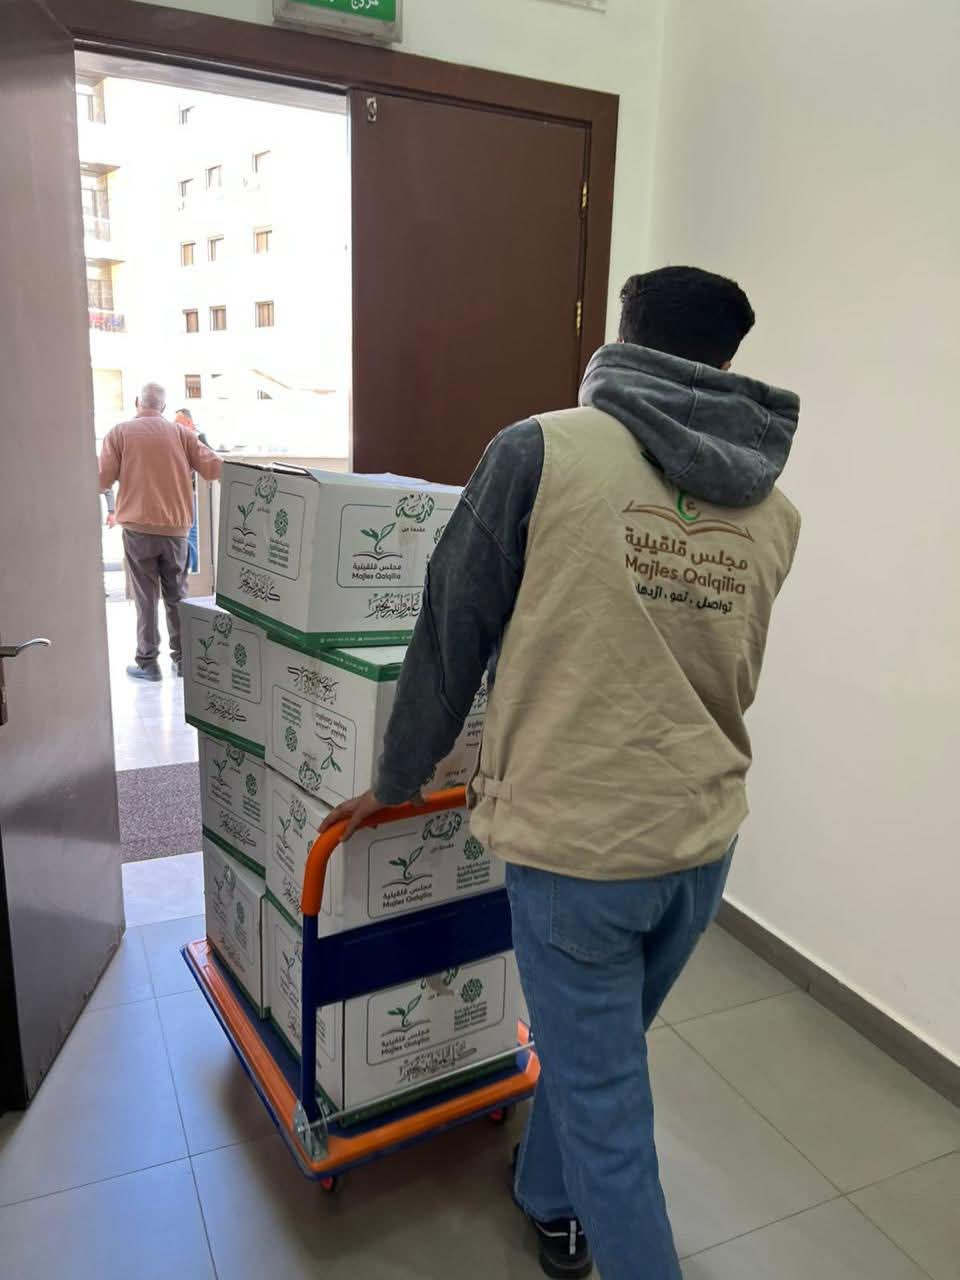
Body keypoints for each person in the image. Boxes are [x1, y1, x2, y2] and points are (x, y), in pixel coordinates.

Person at [322, 266, 801, 1280]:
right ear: (728, 360)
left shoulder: (541, 449)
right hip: (701, 843)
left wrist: (398, 777)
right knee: (601, 1066)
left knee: (607, 1106)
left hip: (579, 851)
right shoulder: (774, 508)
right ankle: (547, 1194)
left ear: (621, 339)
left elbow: (452, 627)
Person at [99, 381, 223, 681]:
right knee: (177, 595)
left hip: (138, 529)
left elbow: (102, 479)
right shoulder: (182, 434)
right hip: (175, 529)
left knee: (145, 597)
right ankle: (184, 660)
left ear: (137, 402)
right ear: (164, 407)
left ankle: (148, 663)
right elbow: (215, 468)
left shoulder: (119, 433)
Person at [174, 407, 208, 573]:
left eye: (177, 422)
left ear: (188, 422)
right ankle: (190, 568)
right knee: (190, 534)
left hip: (195, 494)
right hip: (186, 494)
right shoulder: (182, 440)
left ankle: (192, 569)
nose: (174, 425)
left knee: (193, 534)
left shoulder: (197, 439)